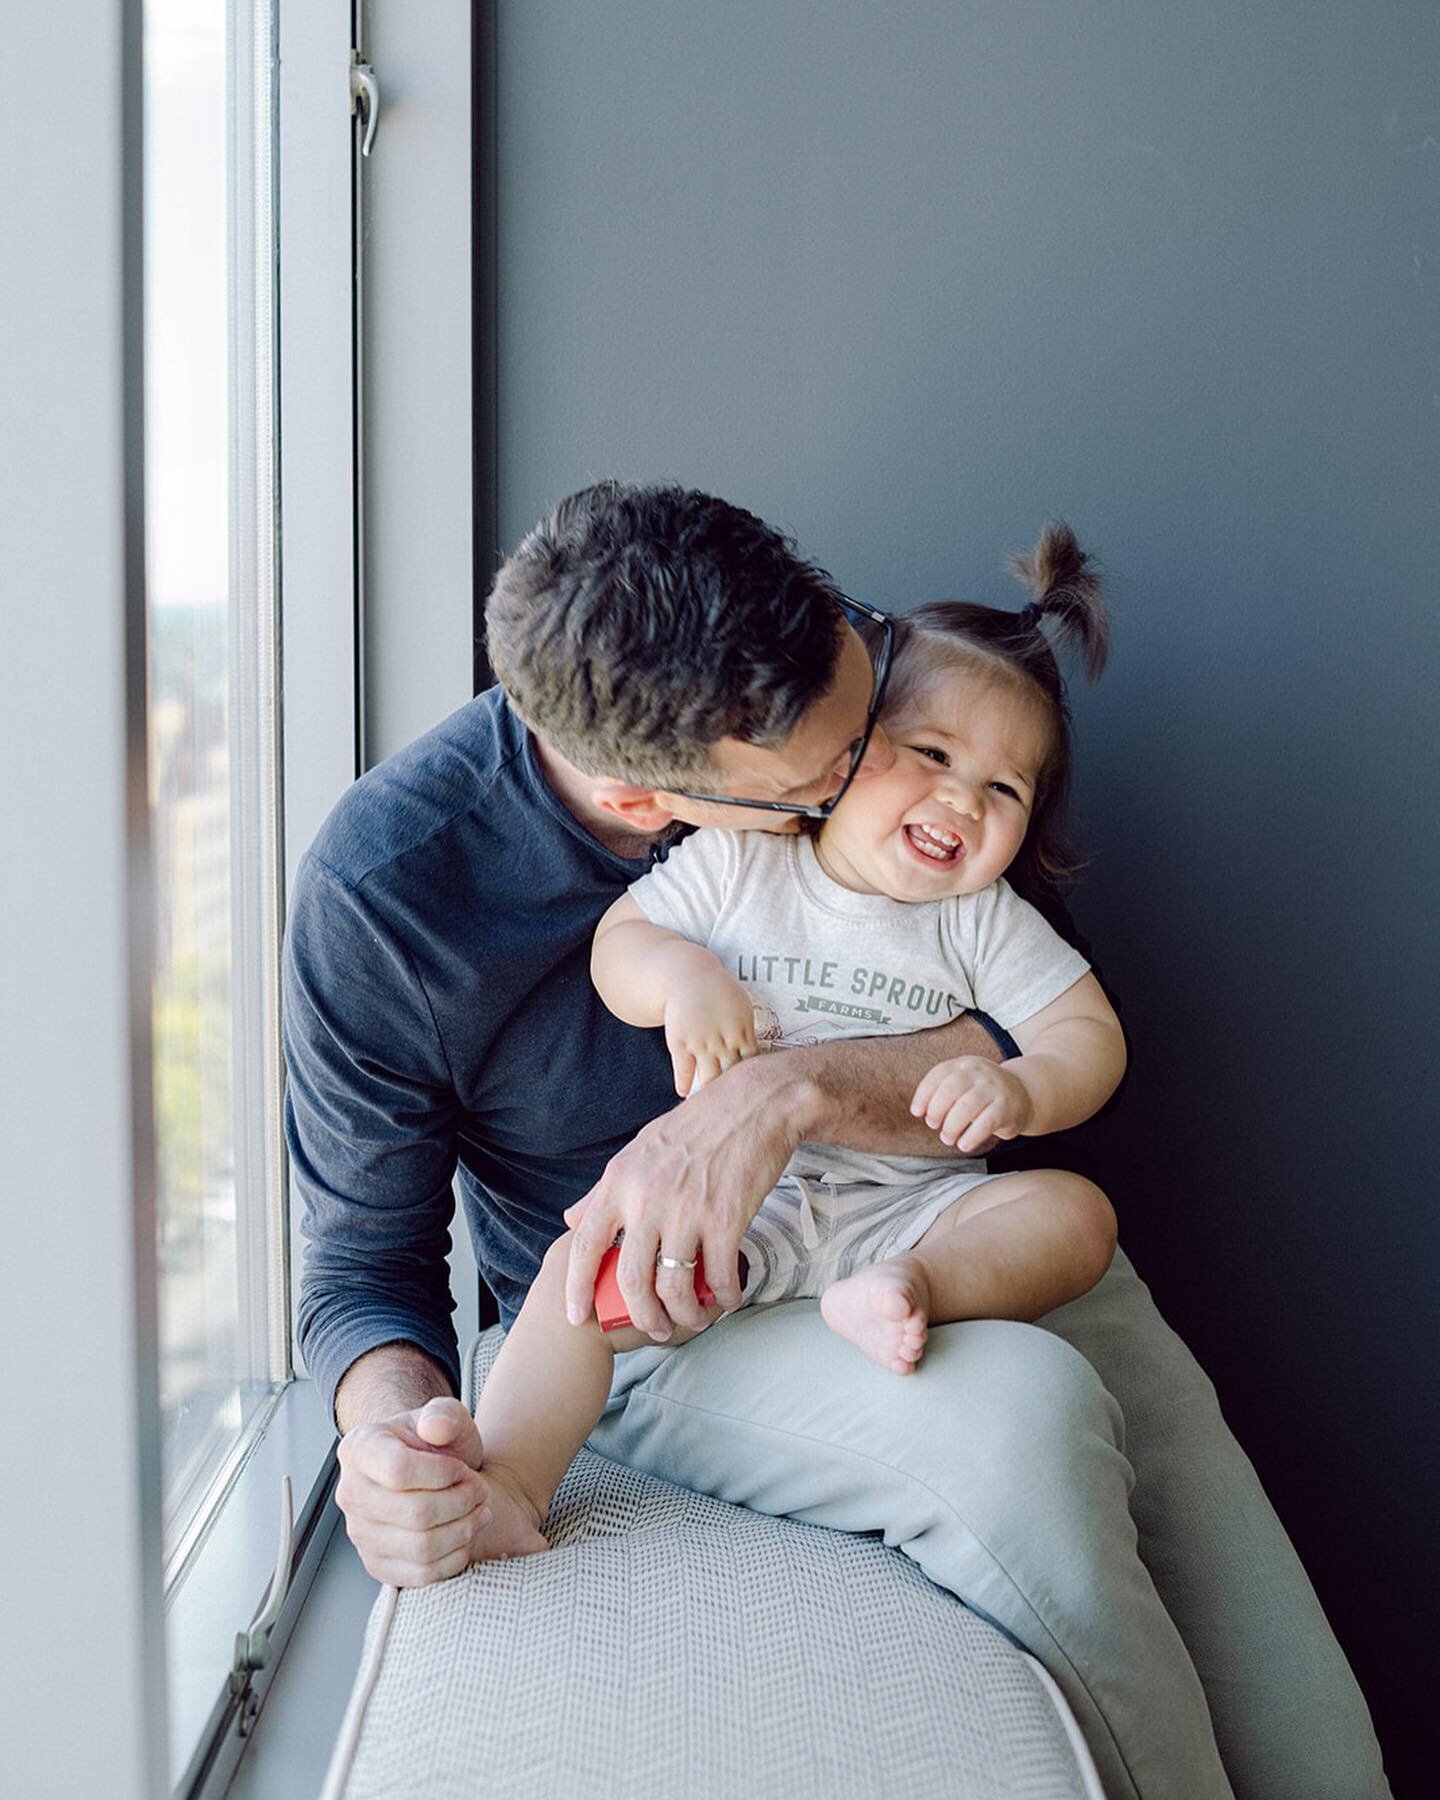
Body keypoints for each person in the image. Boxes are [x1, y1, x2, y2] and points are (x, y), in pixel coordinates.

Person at [287, 483, 1389, 1799]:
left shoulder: (821, 674)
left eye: (875, 693)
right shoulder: (392, 894)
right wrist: (405, 1452)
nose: (889, 765)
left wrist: (785, 1092)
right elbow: (361, 1265)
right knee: (1022, 1424)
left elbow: (1021, 1025)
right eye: (836, 772)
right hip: (691, 1308)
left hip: (943, 1222)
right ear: (662, 804)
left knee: (1298, 1704)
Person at [465, 525, 1129, 1553]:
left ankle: (909, 1294)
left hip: (916, 1211)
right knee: (580, 1271)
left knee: (1076, 1215)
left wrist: (1027, 1088)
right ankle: (508, 1479)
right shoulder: (741, 865)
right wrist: (682, 979)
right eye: (933, 755)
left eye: (1006, 789)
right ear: (849, 749)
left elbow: (1089, 1033)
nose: (962, 798)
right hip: (743, 1207)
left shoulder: (983, 918)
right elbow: (620, 942)